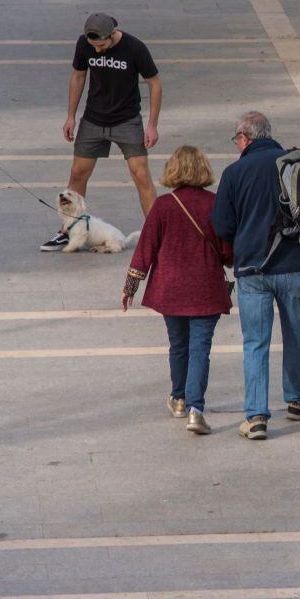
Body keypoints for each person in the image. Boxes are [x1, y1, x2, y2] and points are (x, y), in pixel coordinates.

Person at [212, 111, 300, 441]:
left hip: (252, 270)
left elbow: (222, 226)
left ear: (245, 138)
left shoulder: (234, 173)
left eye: (236, 140)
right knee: (297, 333)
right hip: (295, 265)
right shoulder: (295, 165)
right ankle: (299, 399)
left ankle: (256, 416)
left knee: (255, 343)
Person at [122, 145, 232, 435]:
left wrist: (130, 287)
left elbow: (145, 250)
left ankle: (179, 398)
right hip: (206, 289)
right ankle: (196, 410)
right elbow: (227, 251)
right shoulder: (215, 203)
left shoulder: (163, 206)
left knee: (179, 345)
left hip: (170, 290)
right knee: (200, 350)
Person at [41, 12, 162, 251]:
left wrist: (152, 125)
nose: (96, 50)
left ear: (112, 34)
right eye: (92, 45)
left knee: (141, 175)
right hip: (93, 119)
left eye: (101, 45)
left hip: (127, 120)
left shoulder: (135, 48)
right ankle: (67, 230)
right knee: (78, 173)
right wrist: (70, 117)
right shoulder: (83, 44)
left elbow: (155, 83)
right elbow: (78, 77)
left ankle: (157, 233)